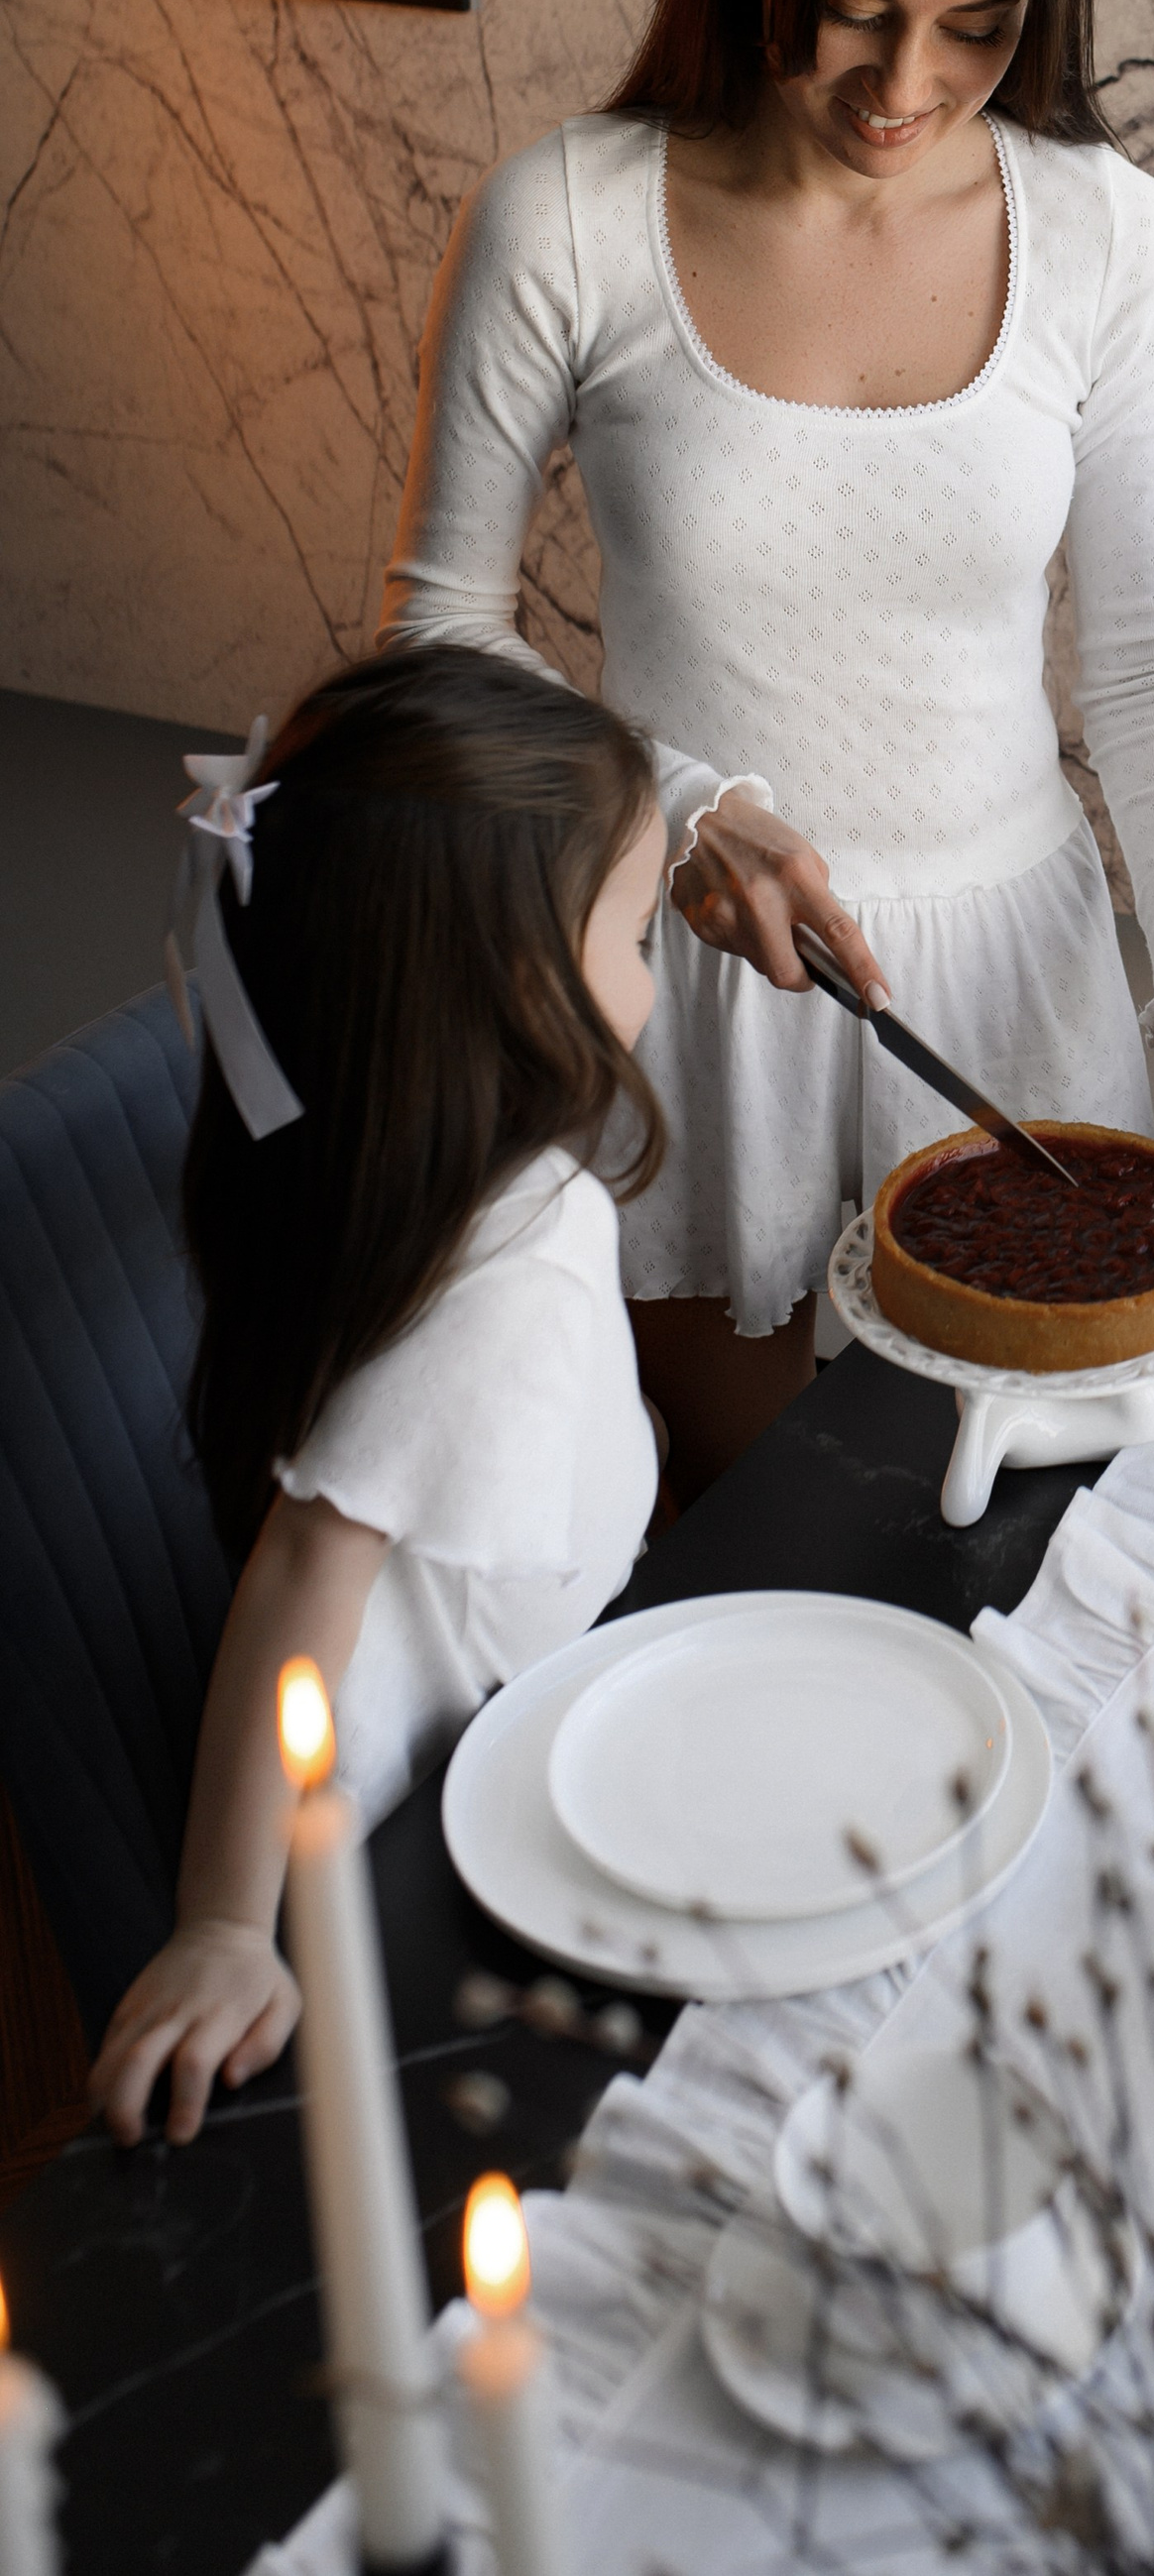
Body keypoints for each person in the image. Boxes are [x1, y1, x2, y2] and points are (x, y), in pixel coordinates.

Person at [383, 0, 1154, 1492]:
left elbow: (1144, 651)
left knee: (1038, 1569)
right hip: (697, 999)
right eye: (860, 12)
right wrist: (681, 809)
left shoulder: (1110, 236)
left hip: (1022, 999)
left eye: (976, 28)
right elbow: (432, 635)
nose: (905, 86)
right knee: (767, 1556)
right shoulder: (569, 214)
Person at [89, 644, 669, 2145]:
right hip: (426, 1831)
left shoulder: (390, 1168)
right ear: (526, 983)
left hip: (526, 1716)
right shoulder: (508, 1265)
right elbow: (301, 1567)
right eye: (642, 934)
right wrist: (223, 1921)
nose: (656, 982)